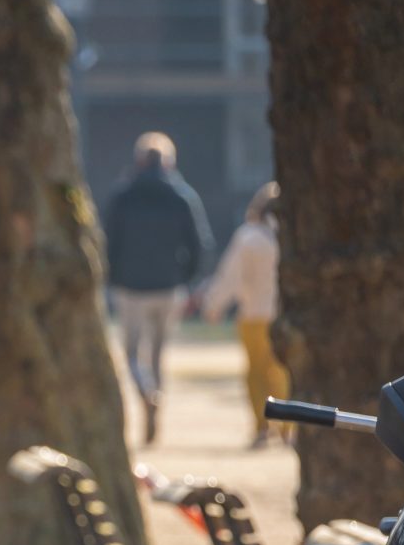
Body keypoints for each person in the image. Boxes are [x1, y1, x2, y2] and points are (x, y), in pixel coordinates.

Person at [102, 132, 214, 445]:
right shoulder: (181, 195)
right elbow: (199, 243)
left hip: (131, 287)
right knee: (158, 354)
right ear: (169, 161)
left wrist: (111, 278)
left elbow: (109, 241)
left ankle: (145, 392)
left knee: (132, 355)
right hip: (168, 286)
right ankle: (157, 399)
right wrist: (187, 279)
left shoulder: (123, 195)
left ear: (138, 159)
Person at [200, 182, 288, 449]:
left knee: (256, 372)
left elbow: (231, 276)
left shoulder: (249, 237)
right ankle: (289, 425)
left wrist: (214, 305)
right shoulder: (289, 238)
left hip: (253, 314)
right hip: (283, 314)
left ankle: (263, 426)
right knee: (280, 371)